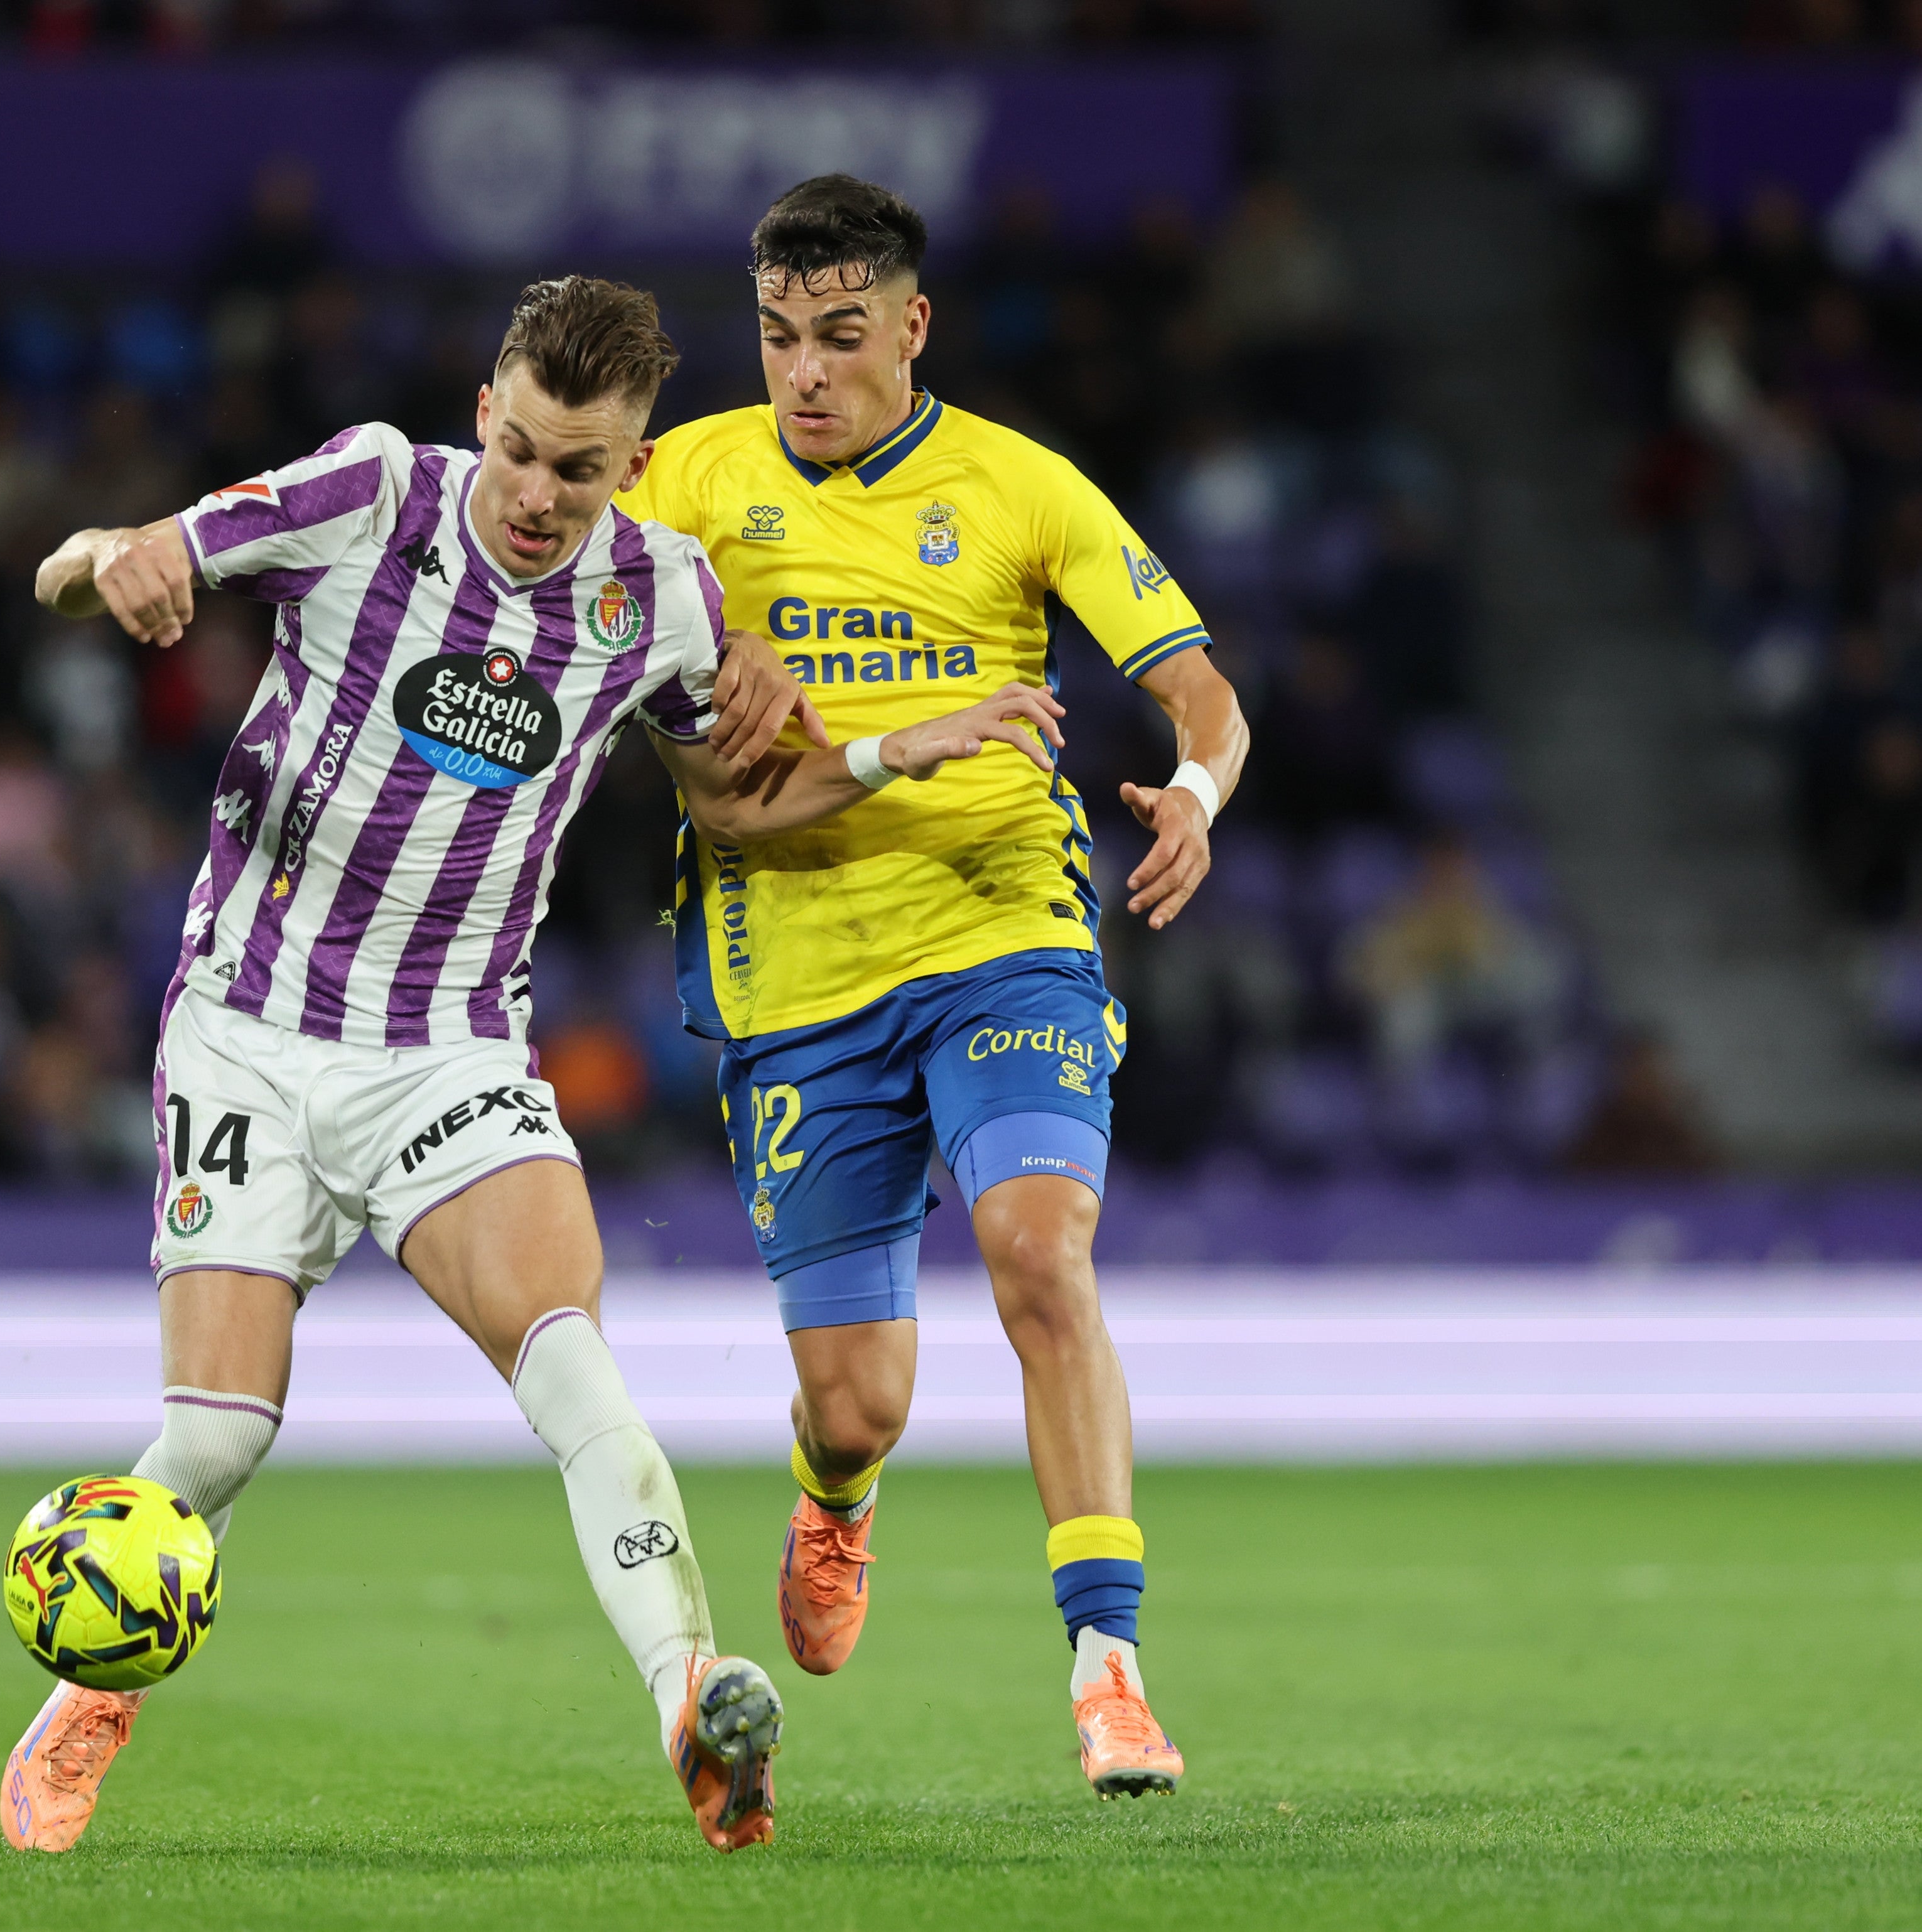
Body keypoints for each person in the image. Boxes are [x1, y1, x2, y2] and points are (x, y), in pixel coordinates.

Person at [1, 273, 1061, 1856]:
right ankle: (93, 1685)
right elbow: (71, 569)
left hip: (449, 1055)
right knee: (217, 1439)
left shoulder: (665, 596)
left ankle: (692, 1700)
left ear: (634, 463)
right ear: (486, 416)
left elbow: (733, 804)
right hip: (251, 1033)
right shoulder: (370, 491)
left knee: (578, 1377)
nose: (543, 498)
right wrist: (121, 558)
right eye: (525, 455)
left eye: (585, 470)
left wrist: (885, 755)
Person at [622, 176, 1252, 1800]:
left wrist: (1192, 791)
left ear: (911, 326)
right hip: (793, 962)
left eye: (838, 336)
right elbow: (560, 585)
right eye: (775, 337)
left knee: (1038, 1254)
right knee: (859, 1393)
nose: (803, 373)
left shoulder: (1018, 485)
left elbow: (1201, 693)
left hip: (1001, 924)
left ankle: (1106, 1667)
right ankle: (836, 1485)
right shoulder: (684, 481)